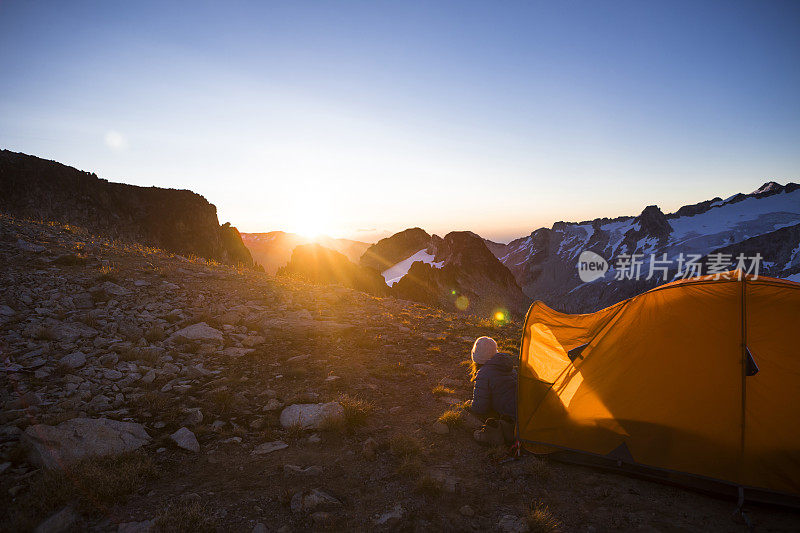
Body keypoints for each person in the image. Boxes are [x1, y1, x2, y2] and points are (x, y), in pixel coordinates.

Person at [464, 336, 517, 445]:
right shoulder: (508, 367)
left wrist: (470, 405)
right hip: (524, 408)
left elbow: (480, 408)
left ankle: (497, 434)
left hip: (512, 414)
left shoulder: (484, 373)